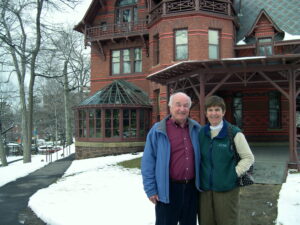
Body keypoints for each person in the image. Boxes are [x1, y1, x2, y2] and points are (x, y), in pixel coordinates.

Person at [141, 92, 201, 225]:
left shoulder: (197, 129)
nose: (182, 109)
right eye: (178, 105)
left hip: (191, 189)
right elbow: (148, 162)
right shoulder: (158, 131)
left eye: (186, 106)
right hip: (167, 190)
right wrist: (151, 189)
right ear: (170, 107)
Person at [198, 95, 255, 225]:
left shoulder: (234, 133)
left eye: (217, 110)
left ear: (223, 112)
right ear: (206, 113)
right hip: (205, 191)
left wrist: (232, 174)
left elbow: (248, 157)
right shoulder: (201, 133)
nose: (214, 113)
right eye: (210, 110)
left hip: (227, 190)